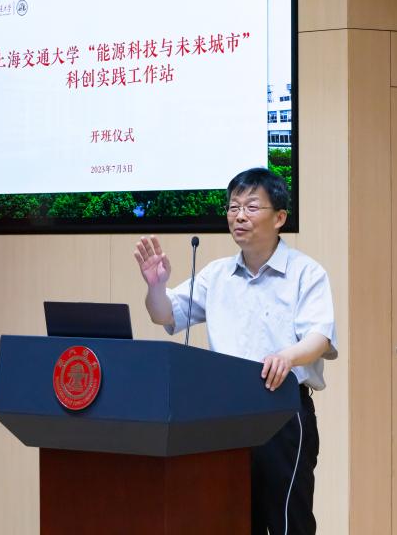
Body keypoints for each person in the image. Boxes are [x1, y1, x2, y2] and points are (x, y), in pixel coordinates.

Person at [133, 167, 336, 535]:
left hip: (281, 410)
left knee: (289, 521)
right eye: (233, 207)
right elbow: (165, 314)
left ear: (279, 217)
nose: (239, 216)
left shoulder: (306, 273)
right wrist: (156, 286)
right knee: (232, 518)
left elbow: (319, 336)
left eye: (251, 207)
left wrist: (287, 356)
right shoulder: (216, 275)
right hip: (224, 416)